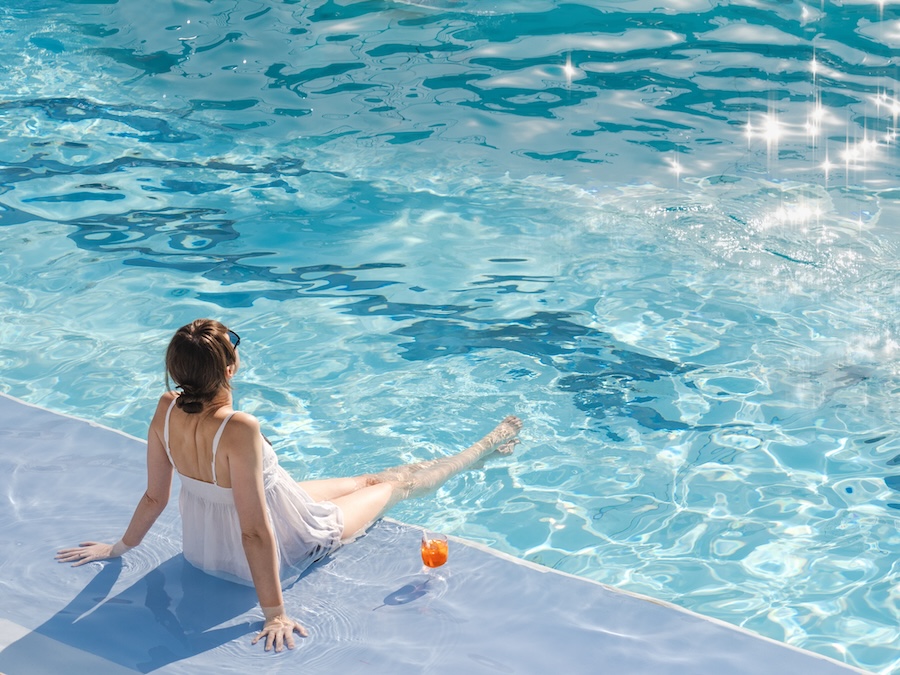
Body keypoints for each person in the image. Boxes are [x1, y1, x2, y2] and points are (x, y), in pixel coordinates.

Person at [56, 319, 522, 653]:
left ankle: (478, 449)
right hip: (289, 536)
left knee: (365, 479)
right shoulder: (239, 427)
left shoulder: (165, 406)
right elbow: (256, 532)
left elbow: (155, 495)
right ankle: (486, 445)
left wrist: (119, 548)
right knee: (395, 485)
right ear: (229, 369)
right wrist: (275, 612)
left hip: (207, 547)